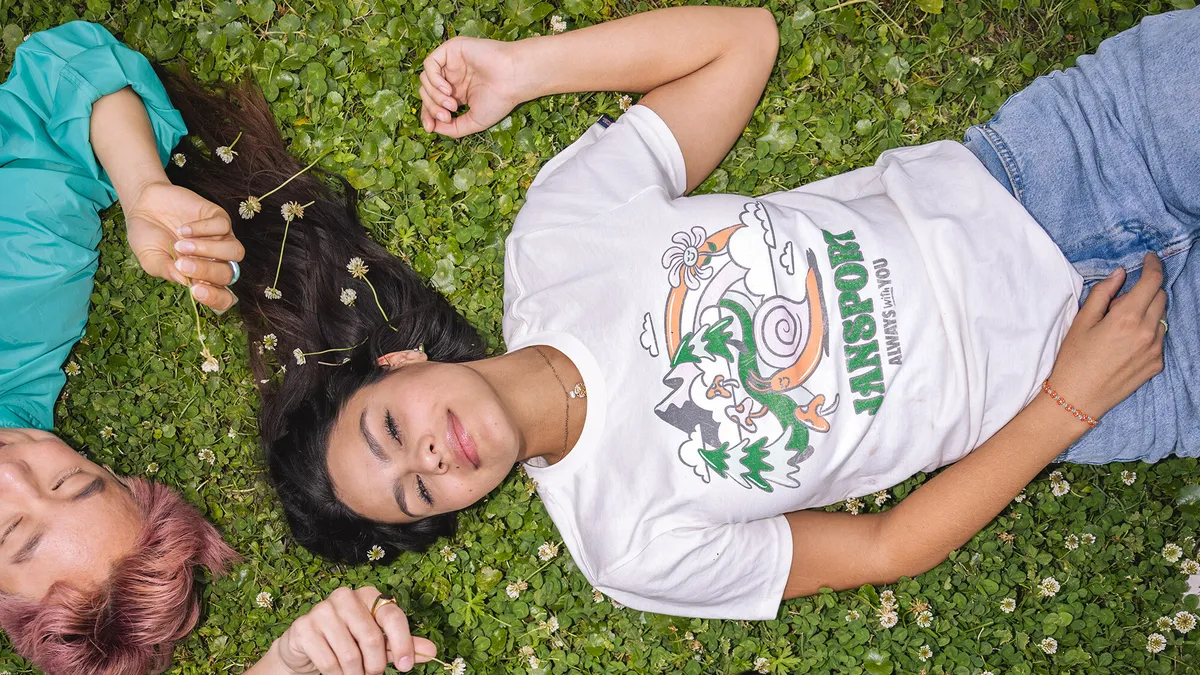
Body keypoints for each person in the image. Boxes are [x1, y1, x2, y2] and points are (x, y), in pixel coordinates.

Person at [176, 6, 1195, 621]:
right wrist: (1070, 404)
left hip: (1057, 165)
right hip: (1095, 377)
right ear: (447, 514)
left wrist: (524, 68)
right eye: (414, 494)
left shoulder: (556, 239)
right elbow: (887, 549)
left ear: (399, 368)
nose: (429, 459)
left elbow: (740, 43)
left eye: (389, 432)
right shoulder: (626, 549)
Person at [1, 22, 438, 674]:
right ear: (114, 472)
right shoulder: (23, 308)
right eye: (68, 478)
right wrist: (143, 187)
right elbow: (68, 75)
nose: (10, 473)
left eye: (10, 532)